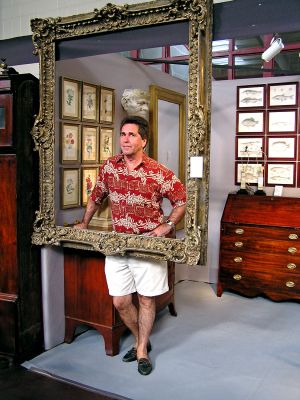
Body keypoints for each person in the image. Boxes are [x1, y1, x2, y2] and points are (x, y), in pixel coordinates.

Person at [74, 115, 186, 376]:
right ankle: (140, 340)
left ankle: (142, 352)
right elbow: (96, 196)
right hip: (117, 245)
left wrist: (167, 226)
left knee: (146, 299)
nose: (125, 139)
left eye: (132, 134)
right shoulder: (110, 167)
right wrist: (84, 223)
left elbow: (181, 199)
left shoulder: (158, 172)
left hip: (148, 244)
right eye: (123, 134)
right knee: (121, 301)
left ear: (143, 140)